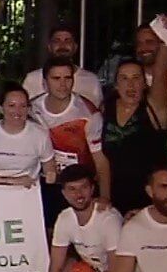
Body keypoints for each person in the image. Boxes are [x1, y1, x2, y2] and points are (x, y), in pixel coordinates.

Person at [46, 164, 123, 272]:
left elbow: (118, 271)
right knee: (61, 268)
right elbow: (55, 267)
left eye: (83, 187)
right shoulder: (65, 218)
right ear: (64, 193)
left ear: (92, 188)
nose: (79, 195)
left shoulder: (108, 218)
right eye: (72, 189)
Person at [33, 58, 111, 223]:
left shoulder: (88, 113)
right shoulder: (32, 109)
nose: (62, 84)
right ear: (44, 83)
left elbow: (100, 160)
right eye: (56, 78)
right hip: (45, 184)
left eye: (67, 78)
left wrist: (105, 197)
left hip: (78, 186)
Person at [103, 52, 167, 215]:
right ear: (116, 84)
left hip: (146, 201)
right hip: (111, 199)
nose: (130, 84)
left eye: (136, 78)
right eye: (124, 78)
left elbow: (161, 73)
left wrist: (165, 42)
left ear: (145, 83)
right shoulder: (104, 108)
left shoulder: (154, 108)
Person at [0, 82, 56, 189]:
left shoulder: (40, 134)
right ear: (1, 109)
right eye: (11, 106)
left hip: (29, 190)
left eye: (23, 106)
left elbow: (50, 171)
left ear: (28, 109)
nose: (17, 111)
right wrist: (13, 181)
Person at [23, 25, 104, 107]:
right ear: (49, 47)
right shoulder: (32, 79)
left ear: (75, 47)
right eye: (57, 41)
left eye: (67, 41)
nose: (62, 45)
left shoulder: (91, 80)